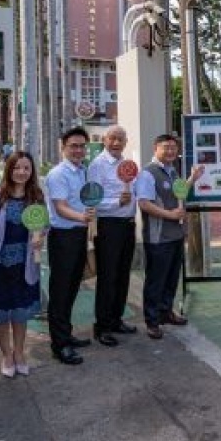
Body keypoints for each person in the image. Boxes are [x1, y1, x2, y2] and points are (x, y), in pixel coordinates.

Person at [0, 151, 45, 377]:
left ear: (31, 171)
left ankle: (19, 353)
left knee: (20, 313)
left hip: (24, 265)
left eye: (26, 168)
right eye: (17, 168)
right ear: (8, 170)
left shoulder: (36, 197)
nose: (21, 172)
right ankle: (6, 354)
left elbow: (44, 224)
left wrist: (40, 236)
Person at [136, 134, 204, 339]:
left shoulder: (172, 171)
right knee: (156, 281)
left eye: (174, 148)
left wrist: (192, 178)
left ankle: (166, 312)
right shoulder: (148, 174)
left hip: (175, 235)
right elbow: (144, 203)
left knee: (171, 278)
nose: (171, 151)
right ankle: (152, 321)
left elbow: (180, 192)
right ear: (155, 148)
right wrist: (170, 215)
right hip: (158, 238)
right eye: (166, 147)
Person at [44, 126, 95, 366]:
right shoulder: (58, 174)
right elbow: (59, 206)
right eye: (73, 146)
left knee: (73, 287)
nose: (78, 150)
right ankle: (60, 345)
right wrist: (81, 217)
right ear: (63, 147)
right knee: (60, 291)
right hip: (63, 237)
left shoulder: (83, 171)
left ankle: (66, 335)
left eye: (81, 146)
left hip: (78, 234)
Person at [87, 125, 138, 346]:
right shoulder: (97, 165)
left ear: (126, 142)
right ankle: (102, 326)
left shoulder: (127, 165)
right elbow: (93, 200)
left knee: (123, 274)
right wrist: (117, 202)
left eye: (121, 139)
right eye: (113, 139)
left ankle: (117, 319)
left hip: (127, 225)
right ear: (104, 141)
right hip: (109, 226)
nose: (116, 143)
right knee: (108, 277)